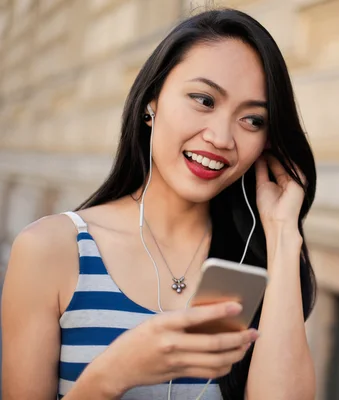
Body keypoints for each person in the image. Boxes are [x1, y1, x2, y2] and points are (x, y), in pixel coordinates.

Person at [1, 8, 317, 400]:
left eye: (252, 120)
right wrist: (112, 375)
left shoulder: (251, 262)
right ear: (152, 101)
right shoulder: (51, 249)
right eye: (203, 100)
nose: (220, 137)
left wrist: (283, 235)